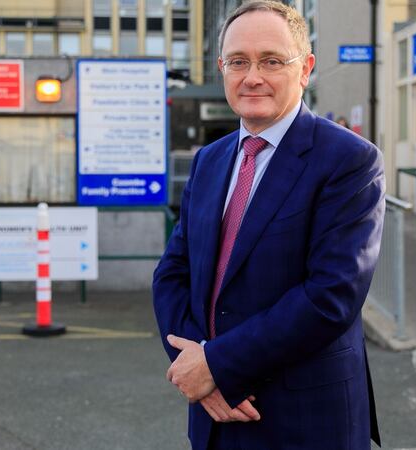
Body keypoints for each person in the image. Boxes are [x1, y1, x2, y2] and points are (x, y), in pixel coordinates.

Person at [152, 1, 384, 449]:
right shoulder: (209, 160)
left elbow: (330, 295)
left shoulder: (350, 160)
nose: (252, 76)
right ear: (222, 68)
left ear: (305, 69)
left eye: (272, 61)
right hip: (215, 416)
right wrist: (196, 369)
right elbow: (173, 272)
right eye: (238, 61)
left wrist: (216, 366)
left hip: (304, 420)